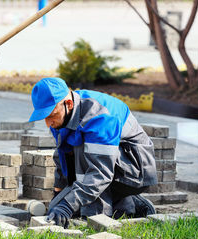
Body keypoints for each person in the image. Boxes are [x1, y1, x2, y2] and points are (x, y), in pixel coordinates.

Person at [28, 77, 157, 228]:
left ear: (68, 104)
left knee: (83, 156)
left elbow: (100, 173)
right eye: (44, 117)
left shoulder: (100, 116)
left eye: (51, 115)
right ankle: (126, 203)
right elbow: (62, 156)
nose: (48, 123)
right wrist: (59, 197)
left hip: (135, 170)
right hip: (104, 168)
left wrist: (68, 205)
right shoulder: (62, 116)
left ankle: (102, 216)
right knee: (55, 210)